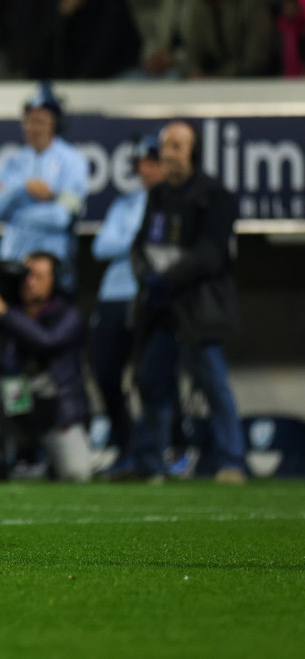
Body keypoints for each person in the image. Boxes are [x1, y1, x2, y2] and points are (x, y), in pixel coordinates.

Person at [131, 121, 245, 483]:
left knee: (213, 381)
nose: (169, 154)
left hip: (199, 304)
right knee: (151, 380)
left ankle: (232, 461)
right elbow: (139, 245)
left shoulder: (214, 195)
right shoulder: (159, 195)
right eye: (166, 146)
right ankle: (153, 462)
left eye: (177, 147)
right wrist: (145, 274)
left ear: (193, 152)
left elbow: (211, 254)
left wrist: (166, 276)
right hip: (162, 306)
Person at [0, 252, 91, 482]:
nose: (29, 282)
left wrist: (4, 312)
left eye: (38, 276)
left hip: (56, 413)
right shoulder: (7, 316)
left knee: (76, 474)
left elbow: (46, 341)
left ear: (56, 281)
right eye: (25, 276)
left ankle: (44, 460)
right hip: (18, 403)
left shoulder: (67, 315)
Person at [89, 135, 163, 474]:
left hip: (150, 295)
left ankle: (153, 453)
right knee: (104, 372)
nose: (146, 170)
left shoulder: (173, 203)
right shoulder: (126, 204)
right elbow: (101, 247)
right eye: (142, 164)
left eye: (153, 162)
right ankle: (125, 445)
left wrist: (131, 240)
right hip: (113, 295)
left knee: (151, 378)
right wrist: (138, 237)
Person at [0, 83, 89, 293]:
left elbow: (60, 217)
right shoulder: (11, 162)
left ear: (54, 123)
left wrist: (12, 214)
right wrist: (23, 187)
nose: (34, 128)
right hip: (11, 267)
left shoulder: (73, 162)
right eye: (29, 121)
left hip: (51, 273)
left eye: (41, 121)